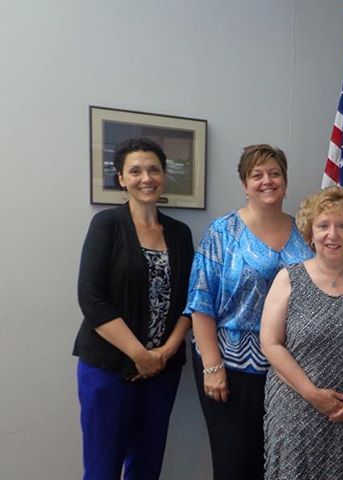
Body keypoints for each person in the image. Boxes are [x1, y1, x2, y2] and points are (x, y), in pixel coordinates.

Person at [185, 144, 313, 480]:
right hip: (232, 368)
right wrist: (212, 367)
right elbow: (200, 301)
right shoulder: (222, 232)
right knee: (234, 464)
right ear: (244, 184)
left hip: (288, 369)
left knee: (277, 463)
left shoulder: (306, 231)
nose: (267, 181)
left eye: (274, 173)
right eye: (257, 175)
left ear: (285, 181)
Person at [74, 137, 194, 479]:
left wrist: (165, 353)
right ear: (122, 178)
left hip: (163, 371)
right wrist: (139, 354)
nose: (146, 178)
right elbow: (91, 298)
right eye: (136, 171)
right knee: (102, 467)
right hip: (108, 368)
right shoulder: (107, 225)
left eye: (154, 169)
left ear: (164, 175)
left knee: (147, 465)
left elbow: (192, 299)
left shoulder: (180, 233)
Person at [261, 186, 343, 479]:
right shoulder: (289, 278)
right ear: (310, 232)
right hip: (294, 410)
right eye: (323, 226)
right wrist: (312, 393)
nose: (332, 235)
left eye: (342, 225)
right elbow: (270, 344)